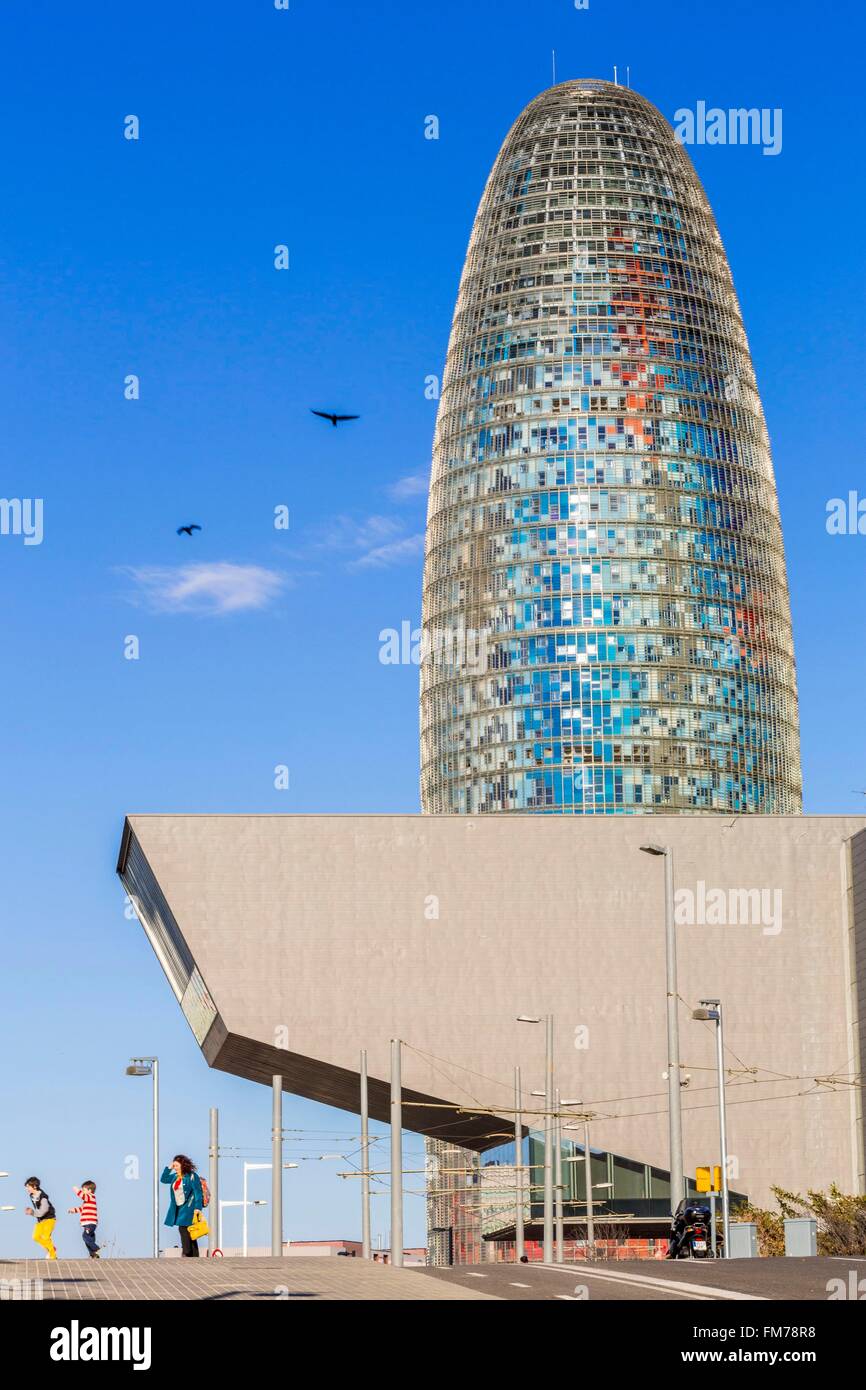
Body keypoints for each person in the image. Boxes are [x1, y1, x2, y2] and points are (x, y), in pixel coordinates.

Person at [160, 1155, 204, 1257]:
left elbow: (198, 1192)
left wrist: (198, 1208)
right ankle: (194, 1255)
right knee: (190, 1231)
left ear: (182, 1165)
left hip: (189, 1206)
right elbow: (163, 1179)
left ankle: (186, 1252)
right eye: (174, 1165)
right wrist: (169, 1168)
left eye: (176, 1165)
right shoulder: (175, 1176)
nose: (175, 1167)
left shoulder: (192, 1176)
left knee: (183, 1228)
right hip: (178, 1207)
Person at [24, 1177, 57, 1260]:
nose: (27, 1188)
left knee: (46, 1237)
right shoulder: (32, 1195)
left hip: (49, 1219)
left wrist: (32, 1212)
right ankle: (51, 1249)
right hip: (40, 1220)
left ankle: (53, 1255)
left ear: (35, 1186)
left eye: (28, 1187)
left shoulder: (43, 1197)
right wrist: (31, 1211)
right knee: (36, 1237)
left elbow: (44, 1210)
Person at [68, 1181, 100, 1258]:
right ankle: (93, 1254)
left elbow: (82, 1196)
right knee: (88, 1239)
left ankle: (96, 1248)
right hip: (88, 1223)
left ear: (90, 1190)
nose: (82, 1192)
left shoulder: (91, 1197)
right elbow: (82, 1209)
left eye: (84, 1190)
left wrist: (77, 1190)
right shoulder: (87, 1201)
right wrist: (74, 1210)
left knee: (85, 1236)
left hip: (90, 1223)